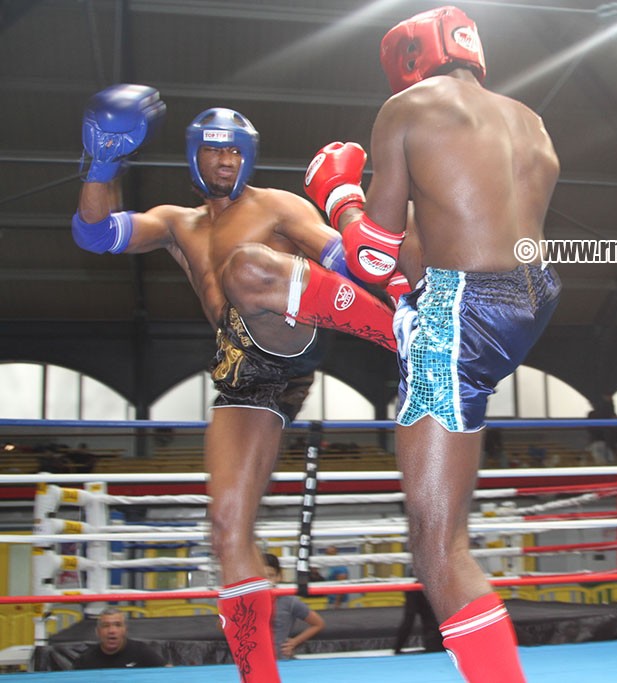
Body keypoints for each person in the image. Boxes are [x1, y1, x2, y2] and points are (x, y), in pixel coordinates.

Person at [73, 85, 398, 683]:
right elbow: (95, 234)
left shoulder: (278, 205)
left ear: (248, 157)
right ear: (193, 156)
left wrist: (358, 222)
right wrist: (103, 161)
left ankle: (405, 337)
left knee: (248, 266)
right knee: (225, 527)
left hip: (288, 335)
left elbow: (350, 261)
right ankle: (260, 676)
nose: (224, 162)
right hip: (241, 374)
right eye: (213, 151)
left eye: (234, 152)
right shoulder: (177, 223)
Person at [302, 7, 561, 680]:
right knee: (411, 292)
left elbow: (371, 253)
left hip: (459, 312)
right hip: (530, 298)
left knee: (437, 545)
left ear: (409, 56)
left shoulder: (406, 107)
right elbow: (436, 236)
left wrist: (338, 198)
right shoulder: (529, 121)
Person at [263, 553, 325, 659]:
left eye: (271, 576)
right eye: (261, 577)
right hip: (254, 662)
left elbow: (318, 624)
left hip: (281, 661)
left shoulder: (289, 601)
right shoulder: (246, 602)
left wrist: (294, 642)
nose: (266, 581)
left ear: (279, 577)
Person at [73, 607, 167, 670]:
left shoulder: (142, 651)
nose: (112, 630)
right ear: (98, 632)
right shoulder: (86, 660)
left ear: (125, 630)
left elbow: (169, 673)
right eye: (106, 626)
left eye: (118, 625)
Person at [394, 590, 444, 654]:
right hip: (448, 638)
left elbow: (409, 620)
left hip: (436, 640)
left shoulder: (415, 588)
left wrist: (397, 648)